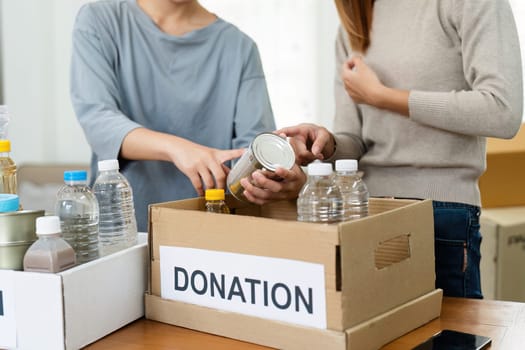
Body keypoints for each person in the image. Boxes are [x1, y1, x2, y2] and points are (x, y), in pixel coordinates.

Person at [241, 0, 523, 299]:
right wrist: (326, 143)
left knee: (446, 342)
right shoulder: (354, 20)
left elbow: (502, 111)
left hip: (439, 215)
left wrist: (382, 96)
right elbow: (356, 139)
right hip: (366, 212)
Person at [70, 0, 276, 232]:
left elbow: (254, 152)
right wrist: (177, 149)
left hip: (209, 232)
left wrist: (280, 172)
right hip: (120, 233)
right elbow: (97, 120)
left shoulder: (240, 48)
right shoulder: (100, 20)